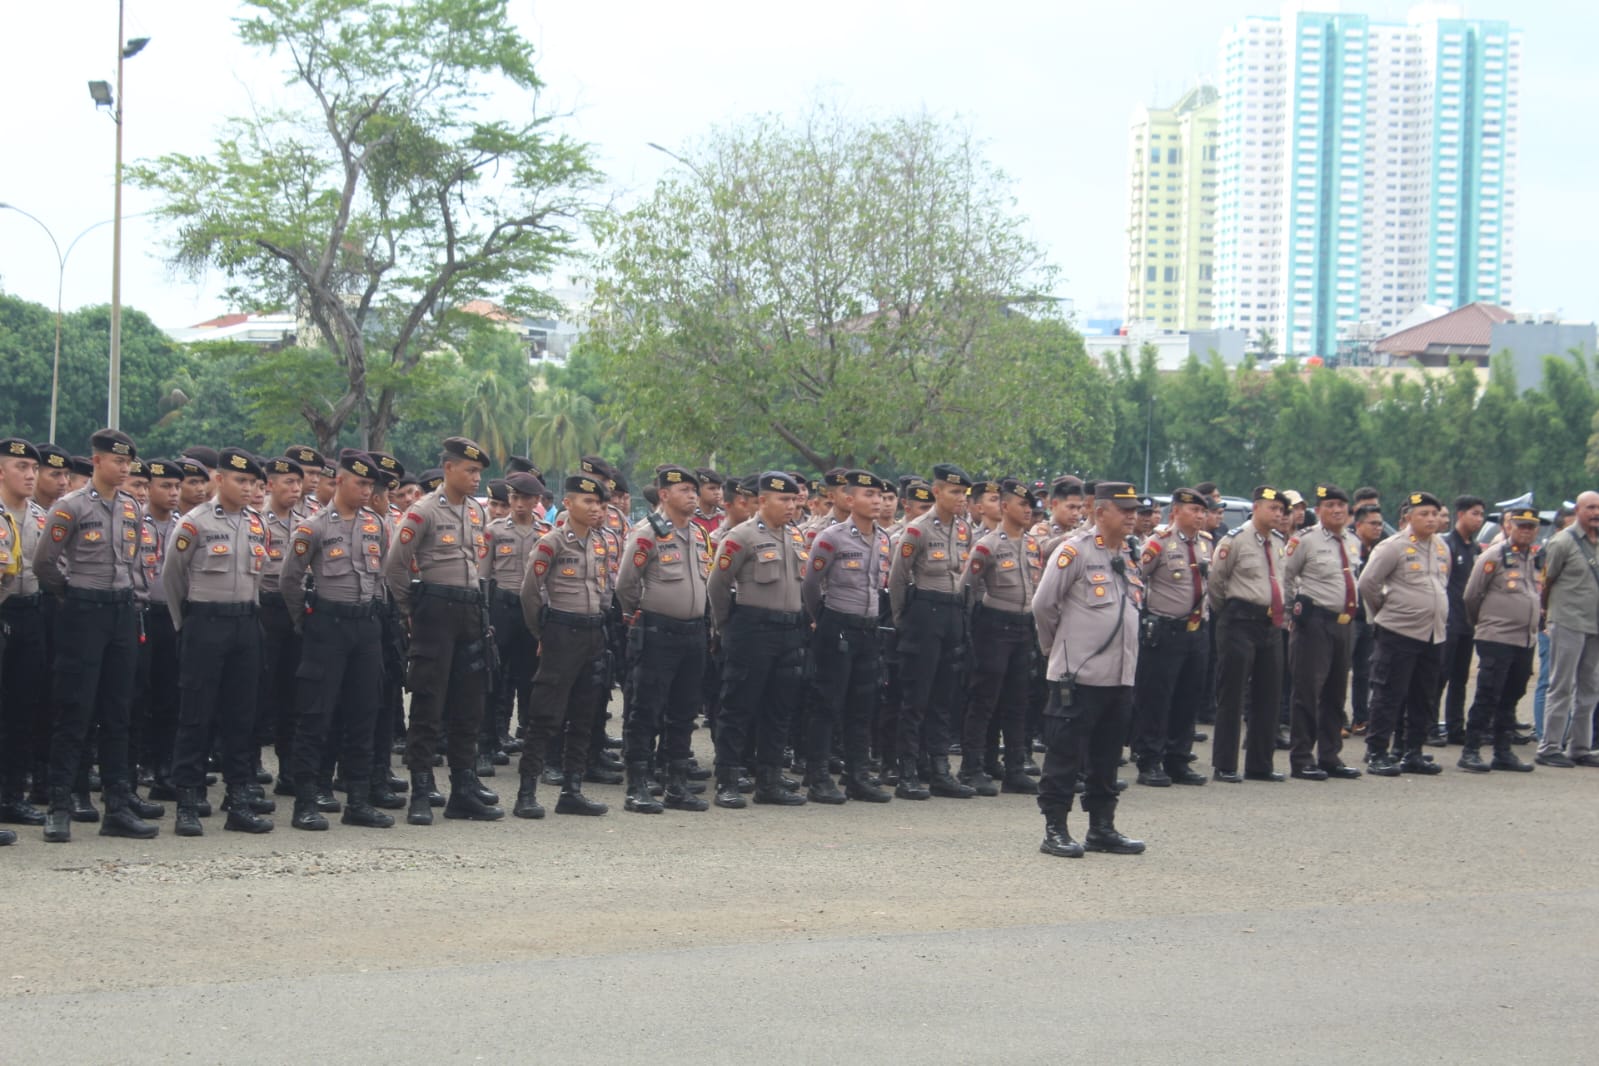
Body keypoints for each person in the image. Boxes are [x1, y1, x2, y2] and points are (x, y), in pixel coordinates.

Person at [32, 430, 158, 843]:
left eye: (128, 463)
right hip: (83, 612)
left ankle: (118, 807)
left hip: (122, 612)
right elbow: (45, 565)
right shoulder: (71, 507)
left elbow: (137, 562)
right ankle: (60, 807)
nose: (124, 469)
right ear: (97, 460)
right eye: (117, 461)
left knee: (119, 712)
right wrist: (72, 594)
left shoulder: (131, 508)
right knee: (74, 710)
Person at [382, 437, 502, 824]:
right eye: (469, 471)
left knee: (469, 704)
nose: (475, 478)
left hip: (470, 610)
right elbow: (396, 567)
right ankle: (421, 788)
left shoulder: (476, 512)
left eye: (479, 473)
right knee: (428, 703)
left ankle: (463, 788)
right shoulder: (423, 511)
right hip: (434, 610)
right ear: (448, 469)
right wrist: (409, 612)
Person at [278, 450, 395, 829]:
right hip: (327, 625)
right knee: (316, 715)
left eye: (370, 485)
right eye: (359, 483)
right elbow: (289, 580)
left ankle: (358, 801)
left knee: (364, 712)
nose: (366, 491)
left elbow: (382, 579)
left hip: (365, 627)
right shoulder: (314, 527)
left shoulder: (376, 524)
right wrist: (306, 621)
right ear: (340, 480)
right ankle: (307, 801)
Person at [1031, 482, 1146, 859]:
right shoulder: (1074, 551)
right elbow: (1044, 606)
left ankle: (1101, 827)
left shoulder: (1128, 554)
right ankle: (1055, 829)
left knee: (1107, 755)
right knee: (1064, 755)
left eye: (1134, 510)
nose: (1132, 516)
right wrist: (1057, 651)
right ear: (1101, 512)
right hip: (1078, 675)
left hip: (1119, 676)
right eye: (1123, 510)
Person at [163, 447, 274, 836]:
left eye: (252, 483)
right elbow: (172, 578)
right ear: (219, 480)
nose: (247, 488)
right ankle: (188, 802)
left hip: (245, 623)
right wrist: (188, 625)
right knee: (196, 715)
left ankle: (240, 801)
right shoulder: (194, 523)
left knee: (241, 717)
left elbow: (257, 579)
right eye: (240, 480)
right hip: (204, 624)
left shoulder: (258, 524)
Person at [707, 472, 818, 807]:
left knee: (779, 707)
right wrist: (726, 627)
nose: (791, 505)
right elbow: (717, 585)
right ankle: (728, 778)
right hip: (752, 629)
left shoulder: (795, 535)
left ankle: (769, 781)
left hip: (789, 630)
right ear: (763, 500)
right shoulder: (741, 537)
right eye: (783, 500)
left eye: (794, 499)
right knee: (739, 707)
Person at [615, 466, 713, 814]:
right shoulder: (646, 534)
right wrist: (637, 616)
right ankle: (638, 785)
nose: (692, 495)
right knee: (646, 709)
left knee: (684, 711)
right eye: (685, 489)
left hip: (692, 633)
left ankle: (676, 784)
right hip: (657, 631)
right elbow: (626, 584)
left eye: (694, 489)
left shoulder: (698, 534)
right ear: (665, 494)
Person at [516, 475, 613, 818]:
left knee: (585, 714)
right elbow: (530, 591)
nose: (595, 508)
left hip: (592, 632)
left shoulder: (601, 542)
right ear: (569, 504)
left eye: (599, 503)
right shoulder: (552, 542)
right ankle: (526, 791)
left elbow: (605, 590)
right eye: (588, 502)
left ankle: (572, 790)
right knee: (544, 714)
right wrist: (542, 631)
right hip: (561, 630)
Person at [802, 469, 896, 805]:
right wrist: (821, 619)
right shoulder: (832, 537)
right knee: (827, 703)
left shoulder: (884, 538)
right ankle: (818, 777)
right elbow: (811, 585)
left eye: (879, 496)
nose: (876, 502)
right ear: (848, 499)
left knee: (862, 706)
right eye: (867, 495)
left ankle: (858, 777)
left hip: (869, 627)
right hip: (837, 624)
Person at [887, 463, 977, 799]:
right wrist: (902, 619)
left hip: (953, 612)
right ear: (936, 492)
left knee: (944, 697)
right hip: (924, 613)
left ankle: (939, 769)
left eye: (963, 494)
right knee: (916, 697)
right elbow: (898, 577)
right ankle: (908, 771)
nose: (960, 499)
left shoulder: (964, 529)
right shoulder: (918, 530)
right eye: (954, 492)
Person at [959, 478, 1044, 796]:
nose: (1028, 511)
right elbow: (968, 587)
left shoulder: (1032, 544)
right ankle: (972, 767)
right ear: (1005, 507)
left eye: (1030, 506)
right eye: (1022, 505)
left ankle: (1013, 769)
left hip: (1023, 626)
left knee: (1017, 701)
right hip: (993, 627)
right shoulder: (987, 545)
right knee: (984, 700)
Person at [1357, 491, 1451, 777]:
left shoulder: (1440, 547)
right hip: (1398, 630)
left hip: (1432, 634)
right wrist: (1385, 612)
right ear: (1409, 517)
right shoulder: (1393, 546)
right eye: (1424, 514)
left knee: (1424, 695)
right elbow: (1368, 583)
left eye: (1435, 514)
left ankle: (1413, 751)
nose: (1431, 519)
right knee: (1388, 694)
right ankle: (1377, 751)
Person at [1129, 487, 1212, 788]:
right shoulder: (1159, 543)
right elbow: (1136, 577)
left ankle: (1178, 758)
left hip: (1196, 631)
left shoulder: (1206, 544)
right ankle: (1149, 760)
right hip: (1165, 630)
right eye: (1195, 511)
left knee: (1188, 698)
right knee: (1157, 699)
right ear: (1175, 512)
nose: (1200, 517)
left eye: (1203, 512)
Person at [1208, 486, 1289, 783]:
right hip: (1239, 619)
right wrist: (1228, 614)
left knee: (1268, 694)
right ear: (1256, 508)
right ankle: (1225, 764)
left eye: (1281, 510)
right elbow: (1216, 582)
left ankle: (1260, 763)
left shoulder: (1279, 543)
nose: (1278, 514)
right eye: (1272, 508)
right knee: (1232, 694)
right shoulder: (1235, 540)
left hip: (1270, 624)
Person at [1282, 484, 1363, 780]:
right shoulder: (1305, 540)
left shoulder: (1352, 541)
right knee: (1307, 690)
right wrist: (1291, 613)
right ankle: (1302, 757)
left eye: (1342, 505)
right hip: (1314, 621)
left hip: (1343, 623)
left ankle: (1330, 755)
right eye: (1330, 505)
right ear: (1319, 510)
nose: (1337, 510)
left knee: (1335, 691)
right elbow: (1286, 575)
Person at [1457, 506, 1540, 773]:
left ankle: (1503, 751)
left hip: (1524, 640)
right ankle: (1470, 751)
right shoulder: (1494, 555)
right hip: (1497, 637)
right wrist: (1483, 624)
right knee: (1488, 694)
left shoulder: (1531, 558)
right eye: (1520, 526)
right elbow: (1471, 595)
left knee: (1512, 694)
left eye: (1530, 527)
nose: (1525, 532)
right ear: (1509, 527)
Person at [481, 470, 548, 772]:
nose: (519, 503)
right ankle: (485, 745)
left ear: (536, 501)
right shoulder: (494, 531)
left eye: (525, 498)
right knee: (493, 678)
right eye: (514, 497)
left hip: (531, 611)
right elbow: (483, 575)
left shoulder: (546, 534)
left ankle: (534, 751)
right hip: (502, 607)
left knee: (530, 680)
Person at [0, 439, 48, 829]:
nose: (31, 475)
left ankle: (13, 796)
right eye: (21, 467)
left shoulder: (42, 517)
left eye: (34, 467)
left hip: (30, 613)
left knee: (22, 709)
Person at [1533, 490, 1599, 768]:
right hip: (1568, 621)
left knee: (1590, 688)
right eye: (1591, 507)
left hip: (1594, 624)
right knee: (1560, 685)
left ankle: (1579, 747)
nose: (1596, 513)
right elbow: (1546, 582)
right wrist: (1547, 615)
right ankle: (1549, 746)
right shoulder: (1562, 542)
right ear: (1579, 510)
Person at [257, 456, 305, 795]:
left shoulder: (306, 522)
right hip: (265, 607)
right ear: (270, 485)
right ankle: (249, 768)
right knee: (259, 692)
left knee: (294, 694)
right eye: (288, 482)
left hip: (296, 610)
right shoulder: (256, 520)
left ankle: (290, 770)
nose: (295, 489)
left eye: (298, 483)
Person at [1434, 495, 1486, 745]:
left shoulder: (1474, 548)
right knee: (1439, 675)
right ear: (1461, 514)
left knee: (1460, 677)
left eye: (1481, 514)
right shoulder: (1447, 545)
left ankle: (1455, 727)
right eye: (1474, 513)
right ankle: (1429, 725)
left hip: (1467, 622)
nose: (1479, 519)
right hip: (1448, 620)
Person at [1531, 505, 1574, 741]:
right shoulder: (1551, 550)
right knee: (1549, 679)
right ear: (1559, 529)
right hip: (1552, 621)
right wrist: (1545, 617)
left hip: (1576, 623)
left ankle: (1565, 734)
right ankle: (1543, 733)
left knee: (1573, 683)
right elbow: (1543, 587)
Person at [1348, 503, 1386, 734]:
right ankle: (1337, 718)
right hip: (1349, 617)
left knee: (1364, 671)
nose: (1378, 528)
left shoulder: (1378, 550)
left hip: (1368, 617)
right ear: (1359, 524)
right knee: (1339, 670)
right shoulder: (1349, 546)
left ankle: (1360, 718)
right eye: (1373, 523)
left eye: (1380, 524)